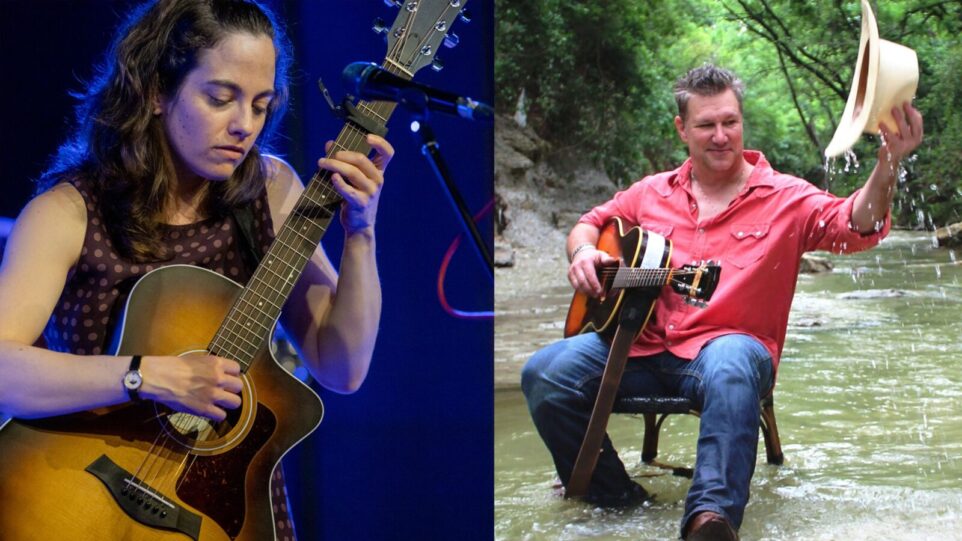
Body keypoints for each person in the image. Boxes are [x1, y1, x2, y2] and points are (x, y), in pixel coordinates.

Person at [0, 0, 392, 538]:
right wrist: (151, 376)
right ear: (157, 92)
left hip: (220, 516)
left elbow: (342, 368)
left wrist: (362, 233)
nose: (244, 126)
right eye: (220, 98)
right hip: (83, 498)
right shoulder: (68, 212)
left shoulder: (271, 192)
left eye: (260, 105)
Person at [521, 64, 923, 540]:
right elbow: (590, 223)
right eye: (706, 125)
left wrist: (887, 164)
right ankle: (617, 501)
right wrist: (584, 252)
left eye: (729, 122)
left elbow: (854, 224)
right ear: (681, 129)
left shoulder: (786, 196)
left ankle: (709, 521)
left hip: (729, 352)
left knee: (732, 360)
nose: (720, 136)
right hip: (641, 346)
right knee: (545, 372)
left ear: (741, 122)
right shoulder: (649, 192)